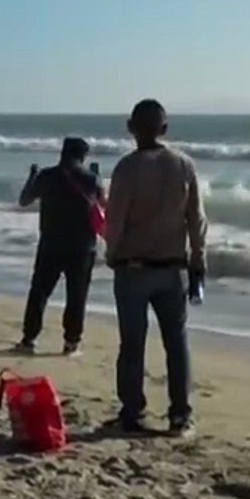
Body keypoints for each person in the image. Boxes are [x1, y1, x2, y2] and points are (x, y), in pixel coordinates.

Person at [104, 99, 207, 438]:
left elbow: (115, 219)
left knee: (132, 344)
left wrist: (112, 253)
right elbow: (197, 219)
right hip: (173, 267)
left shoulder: (126, 168)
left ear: (130, 127)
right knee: (176, 344)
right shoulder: (183, 165)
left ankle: (133, 411)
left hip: (133, 267)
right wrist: (198, 261)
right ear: (165, 129)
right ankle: (181, 414)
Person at [14, 136, 104, 356]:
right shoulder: (91, 179)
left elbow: (24, 200)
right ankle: (71, 343)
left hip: (51, 244)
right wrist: (97, 176)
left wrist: (32, 176)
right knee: (77, 296)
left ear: (62, 153)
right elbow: (103, 205)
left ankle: (29, 340)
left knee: (40, 292)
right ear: (83, 156)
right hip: (82, 247)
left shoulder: (47, 176)